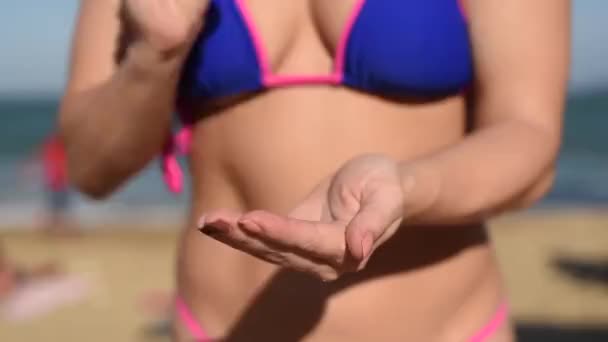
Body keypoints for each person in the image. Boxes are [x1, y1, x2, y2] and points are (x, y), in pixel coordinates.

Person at [59, 0, 570, 341]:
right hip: (222, 327)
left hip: (451, 327)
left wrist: (406, 188)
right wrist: (154, 56)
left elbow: (528, 139)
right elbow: (90, 168)